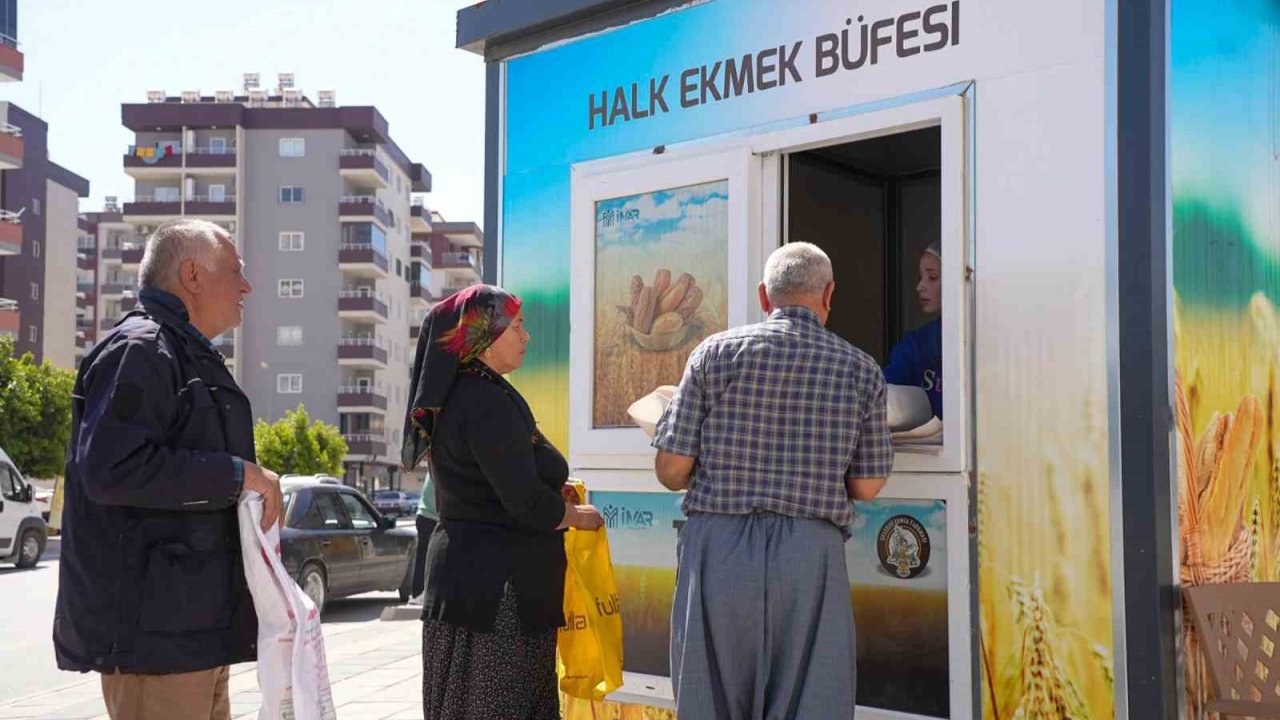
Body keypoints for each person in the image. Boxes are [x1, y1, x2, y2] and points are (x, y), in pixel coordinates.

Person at [53, 219, 284, 720]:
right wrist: (240, 475)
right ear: (193, 275)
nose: (246, 286)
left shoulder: (185, 353)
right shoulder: (140, 349)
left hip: (194, 634)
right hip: (154, 642)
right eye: (236, 271)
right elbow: (113, 469)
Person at [652, 242, 894, 720]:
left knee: (710, 698)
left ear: (765, 297)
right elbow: (866, 486)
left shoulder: (714, 353)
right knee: (810, 700)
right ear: (829, 295)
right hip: (809, 552)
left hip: (718, 545)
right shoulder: (861, 369)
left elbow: (671, 470)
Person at [401, 284, 605, 720]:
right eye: (516, 326)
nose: (526, 337)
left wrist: (551, 490)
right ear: (484, 336)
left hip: (473, 587)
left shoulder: (470, 392)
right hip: (497, 599)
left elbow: (493, 483)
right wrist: (576, 516)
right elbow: (525, 504)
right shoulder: (485, 399)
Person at [884, 241, 943, 419]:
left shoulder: (986, 340)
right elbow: (880, 393)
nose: (920, 286)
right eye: (921, 277)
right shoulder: (916, 344)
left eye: (932, 277)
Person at [408, 471, 438, 603]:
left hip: (424, 515)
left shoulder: (434, 467)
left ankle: (417, 593)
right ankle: (420, 593)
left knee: (424, 556)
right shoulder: (440, 468)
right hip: (431, 517)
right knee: (429, 557)